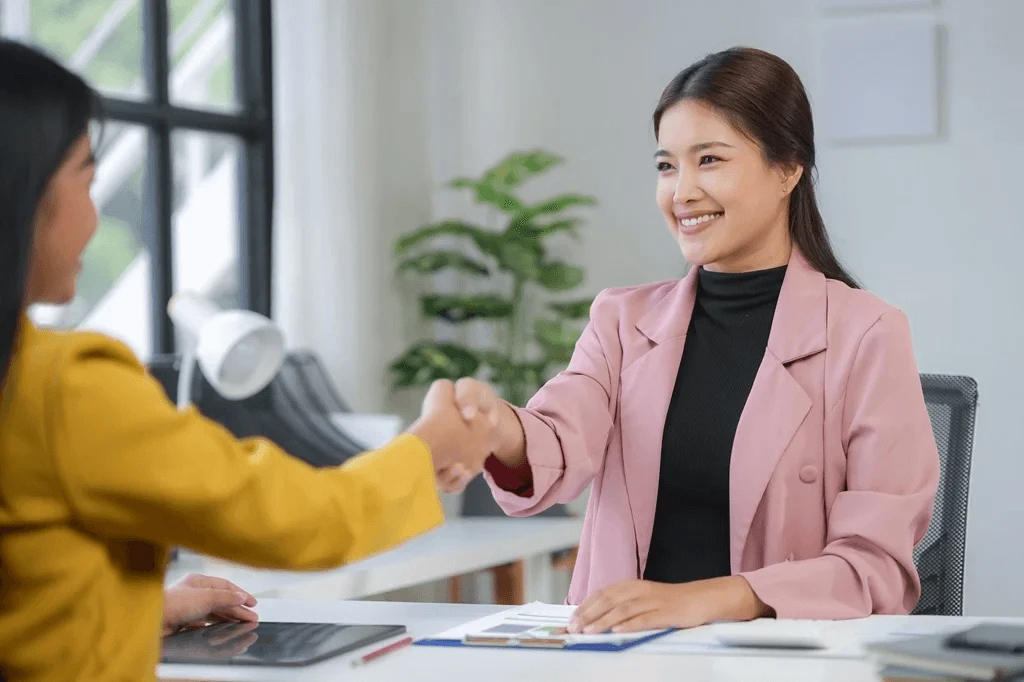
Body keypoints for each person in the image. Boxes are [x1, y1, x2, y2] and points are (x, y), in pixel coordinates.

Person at [0, 40, 491, 682]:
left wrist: (137, 609)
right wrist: (428, 450)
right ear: (23, 191)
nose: (95, 217)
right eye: (87, 181)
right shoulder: (63, 387)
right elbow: (300, 520)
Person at [441, 47, 941, 634]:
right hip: (620, 657)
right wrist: (497, 426)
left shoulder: (866, 333)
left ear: (788, 170)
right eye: (666, 166)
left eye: (709, 160)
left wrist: (711, 599)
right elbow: (562, 434)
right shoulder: (621, 319)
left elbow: (875, 568)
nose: (682, 191)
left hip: (776, 663)